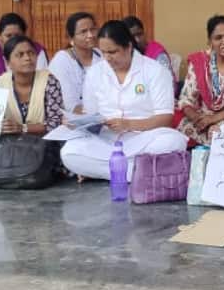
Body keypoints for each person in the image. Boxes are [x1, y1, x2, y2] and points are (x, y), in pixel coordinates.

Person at [59, 20, 186, 181]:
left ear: (128, 46)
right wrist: (77, 122)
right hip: (107, 141)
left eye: (113, 52)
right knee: (69, 152)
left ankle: (113, 171)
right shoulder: (95, 73)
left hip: (145, 138)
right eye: (103, 52)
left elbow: (165, 118)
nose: (107, 58)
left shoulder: (155, 71)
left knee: (173, 142)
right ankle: (139, 172)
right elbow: (91, 114)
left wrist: (129, 124)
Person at [0, 35, 65, 184]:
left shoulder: (49, 81)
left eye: (31, 53)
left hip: (44, 145)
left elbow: (56, 123)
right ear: (7, 62)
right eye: (20, 55)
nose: (27, 58)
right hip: (10, 149)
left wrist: (22, 128)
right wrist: (1, 127)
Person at [176, 15, 224, 145]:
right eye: (218, 38)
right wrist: (198, 119)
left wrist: (213, 119)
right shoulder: (200, 62)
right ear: (210, 41)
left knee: (223, 131)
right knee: (175, 121)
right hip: (202, 118)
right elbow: (186, 99)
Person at [48, 11, 102, 113]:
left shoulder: (102, 55)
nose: (90, 35)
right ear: (70, 37)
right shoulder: (61, 60)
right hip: (74, 120)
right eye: (83, 32)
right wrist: (97, 113)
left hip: (107, 116)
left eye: (93, 29)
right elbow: (69, 105)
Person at [0, 13, 48, 85]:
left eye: (17, 35)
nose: (13, 40)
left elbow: (42, 81)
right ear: (0, 37)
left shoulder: (36, 50)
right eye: (8, 36)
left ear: (24, 36)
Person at [124, 15, 176, 89]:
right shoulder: (124, 54)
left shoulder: (157, 53)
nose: (137, 40)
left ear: (144, 33)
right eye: (132, 37)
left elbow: (167, 83)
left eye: (139, 34)